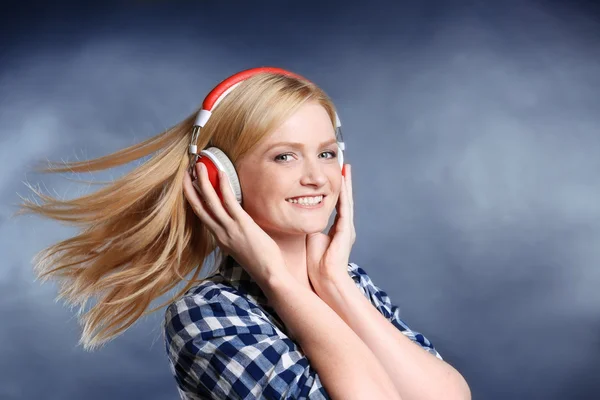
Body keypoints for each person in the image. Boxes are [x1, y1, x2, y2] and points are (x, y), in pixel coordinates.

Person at [15, 67, 470, 399]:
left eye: (327, 154)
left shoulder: (352, 283)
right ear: (221, 179)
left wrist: (334, 284)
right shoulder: (207, 316)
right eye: (284, 157)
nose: (316, 177)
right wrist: (277, 279)